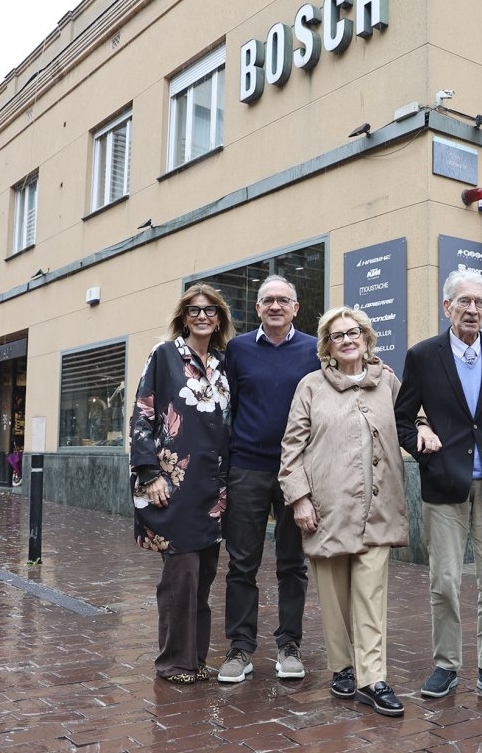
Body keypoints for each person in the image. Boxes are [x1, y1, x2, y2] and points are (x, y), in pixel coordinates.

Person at [394, 270, 482, 703]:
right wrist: (421, 443)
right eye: (463, 302)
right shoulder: (423, 355)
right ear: (446, 307)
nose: (472, 309)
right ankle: (446, 665)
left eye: (479, 303)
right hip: (444, 482)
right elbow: (400, 418)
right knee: (445, 581)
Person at [279, 307, 409, 717]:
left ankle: (373, 679)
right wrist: (299, 498)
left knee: (370, 594)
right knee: (333, 598)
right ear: (327, 347)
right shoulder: (311, 386)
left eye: (354, 333)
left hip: (379, 506)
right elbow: (291, 448)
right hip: (326, 508)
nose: (348, 339)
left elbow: (412, 418)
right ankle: (342, 668)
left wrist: (423, 428)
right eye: (338, 336)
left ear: (367, 338)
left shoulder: (387, 381)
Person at [129, 284, 235, 684]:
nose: (203, 316)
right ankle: (174, 662)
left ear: (220, 318)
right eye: (195, 310)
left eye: (210, 310)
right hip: (170, 484)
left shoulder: (225, 364)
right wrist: (149, 474)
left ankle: (196, 659)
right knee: (181, 574)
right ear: (184, 315)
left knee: (204, 576)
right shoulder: (164, 356)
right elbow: (142, 415)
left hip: (214, 488)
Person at [218, 275, 319, 682]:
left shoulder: (314, 348)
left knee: (293, 563)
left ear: (296, 308)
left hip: (298, 470)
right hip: (248, 468)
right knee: (242, 563)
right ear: (257, 309)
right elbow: (230, 408)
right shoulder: (238, 350)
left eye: (283, 300)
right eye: (267, 301)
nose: (275, 306)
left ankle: (289, 645)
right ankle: (240, 649)